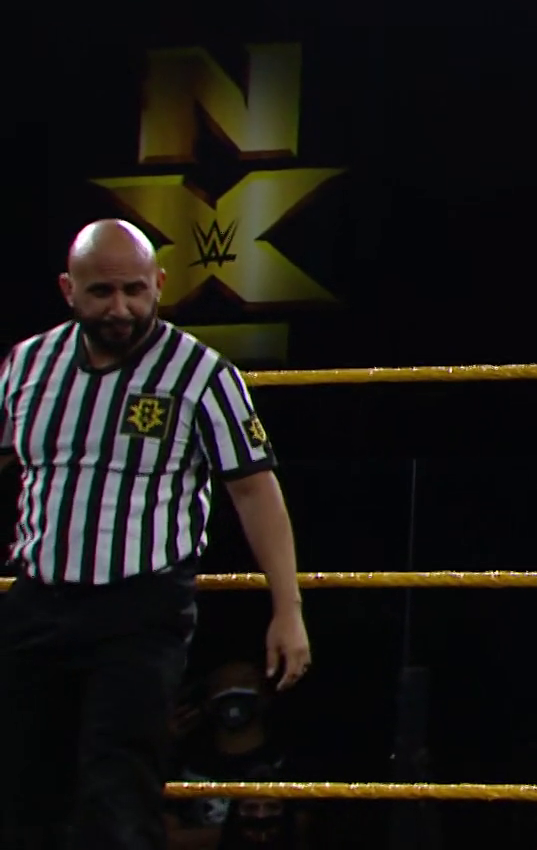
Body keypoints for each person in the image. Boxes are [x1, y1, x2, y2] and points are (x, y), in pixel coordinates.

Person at [0, 219, 312, 850]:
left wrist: (288, 608)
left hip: (140, 605)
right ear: (68, 289)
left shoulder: (201, 373)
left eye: (134, 291)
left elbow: (254, 490)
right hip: (38, 600)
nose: (120, 308)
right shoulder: (28, 365)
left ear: (159, 285)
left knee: (118, 789)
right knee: (22, 785)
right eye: (102, 292)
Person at [167, 660, 301, 850]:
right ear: (206, 702)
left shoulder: (288, 760)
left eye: (246, 682)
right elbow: (168, 839)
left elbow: (302, 830)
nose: (232, 690)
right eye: (221, 685)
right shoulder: (185, 765)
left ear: (265, 696)